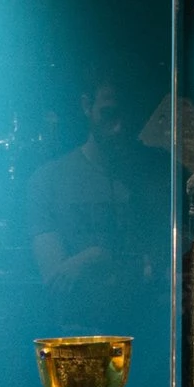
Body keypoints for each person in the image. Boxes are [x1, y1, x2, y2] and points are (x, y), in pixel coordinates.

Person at [28, 80, 134, 316]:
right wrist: (103, 259)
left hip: (141, 324)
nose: (118, 128)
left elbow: (158, 269)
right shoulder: (48, 179)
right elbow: (55, 277)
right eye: (108, 114)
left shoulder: (152, 179)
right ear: (87, 106)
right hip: (72, 325)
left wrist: (94, 257)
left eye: (126, 115)